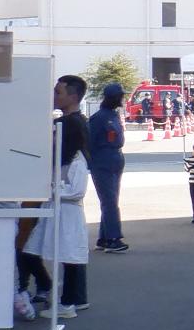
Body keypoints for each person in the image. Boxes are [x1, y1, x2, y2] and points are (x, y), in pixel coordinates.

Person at [28, 76, 91, 317]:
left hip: (64, 202)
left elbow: (73, 180)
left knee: (68, 253)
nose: (55, 96)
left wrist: (52, 187)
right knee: (63, 252)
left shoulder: (72, 132)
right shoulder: (74, 125)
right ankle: (69, 299)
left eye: (59, 92)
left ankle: (67, 302)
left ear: (73, 96)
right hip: (58, 200)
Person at [86, 81, 129, 252]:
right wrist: (91, 163)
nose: (122, 99)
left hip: (114, 158)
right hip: (102, 161)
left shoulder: (113, 114)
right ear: (112, 98)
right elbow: (89, 141)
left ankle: (104, 237)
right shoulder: (99, 118)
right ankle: (113, 238)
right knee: (109, 201)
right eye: (120, 96)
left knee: (111, 200)